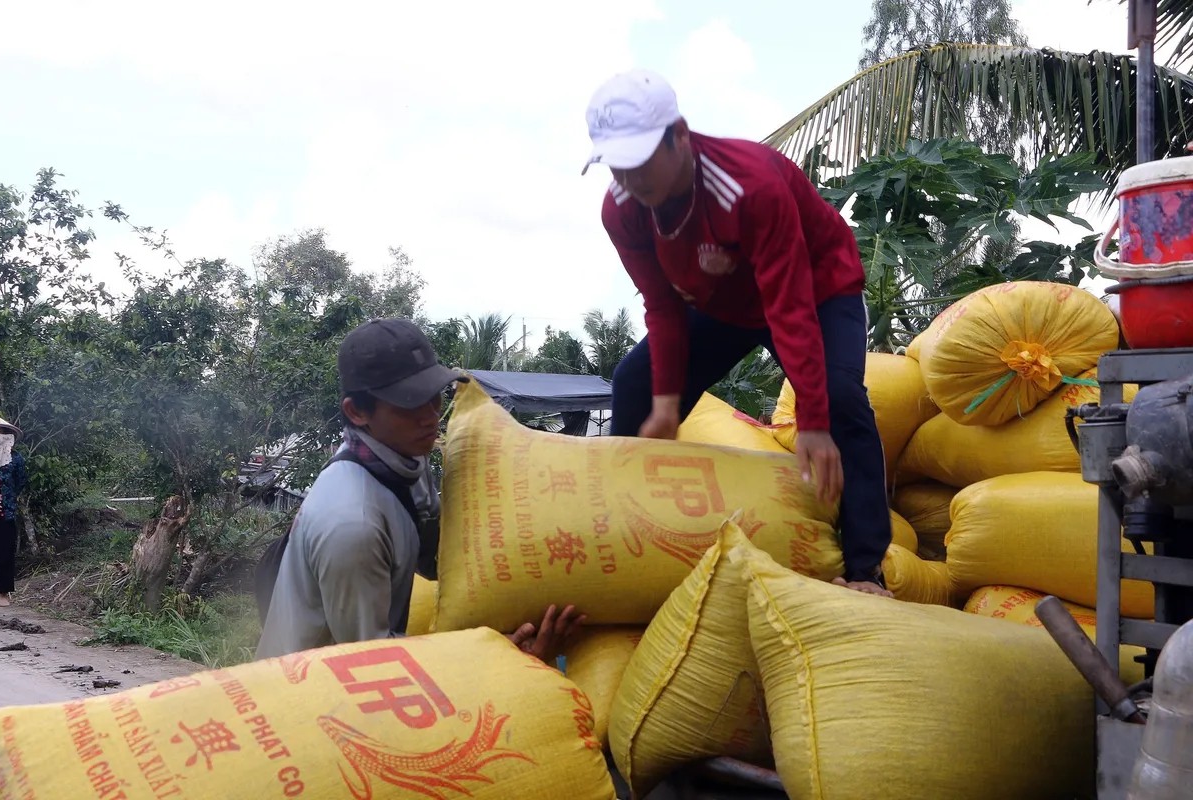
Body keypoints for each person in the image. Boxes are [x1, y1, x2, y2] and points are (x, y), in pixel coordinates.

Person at [583, 69, 892, 597]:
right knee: (634, 383)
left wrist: (813, 423)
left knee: (839, 399)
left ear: (679, 134)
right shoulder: (622, 209)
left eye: (638, 162)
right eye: (617, 165)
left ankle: (865, 570)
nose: (629, 181)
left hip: (815, 288)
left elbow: (790, 305)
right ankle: (627, 532)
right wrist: (663, 403)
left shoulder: (750, 185)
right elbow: (661, 306)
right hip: (724, 302)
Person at [255, 319, 585, 661]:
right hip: (310, 688)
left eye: (434, 398)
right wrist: (496, 654)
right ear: (357, 412)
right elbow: (369, 660)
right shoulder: (354, 524)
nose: (430, 417)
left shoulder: (405, 456)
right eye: (410, 403)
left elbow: (439, 560)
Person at [0, 416, 27, 607]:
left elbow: (21, 482)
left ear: (7, 435)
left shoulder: (15, 458)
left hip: (5, 512)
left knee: (4, 552)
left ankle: (3, 594)